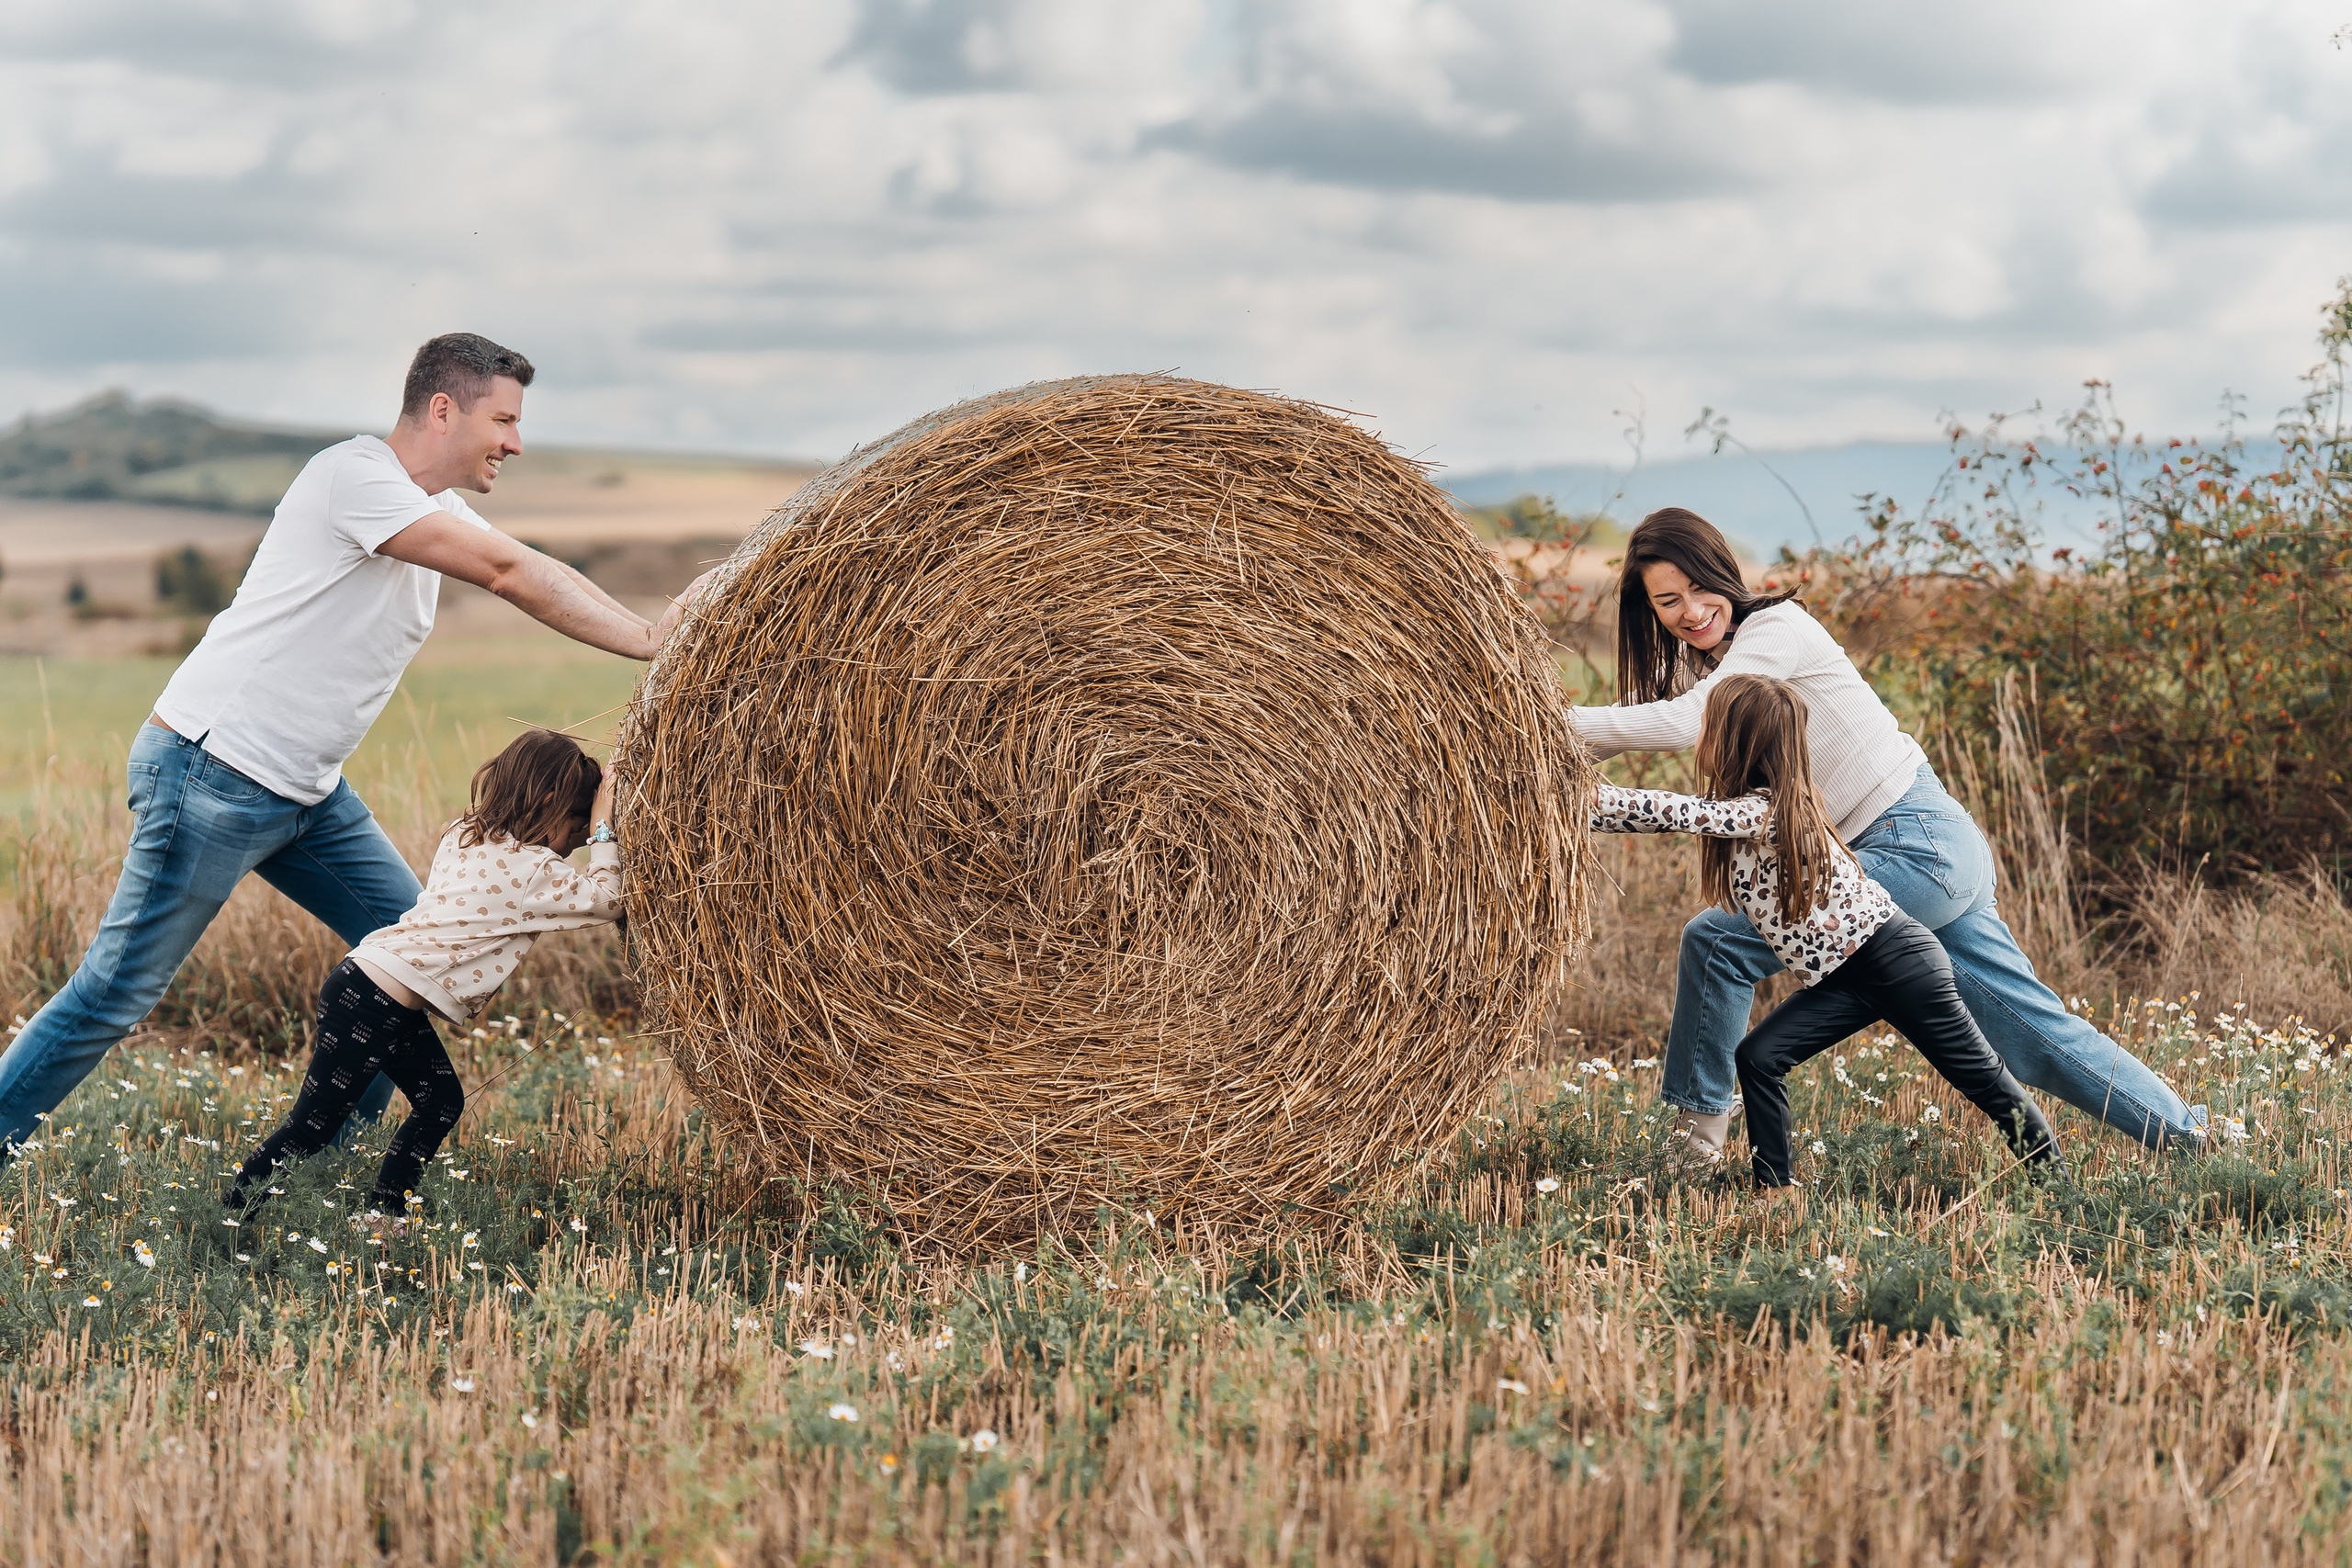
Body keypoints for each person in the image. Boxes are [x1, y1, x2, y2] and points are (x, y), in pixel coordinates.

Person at [0, 333, 707, 1156]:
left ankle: (320, 1158)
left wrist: (652, 629)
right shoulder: (353, 479)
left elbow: (526, 561)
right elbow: (509, 575)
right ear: (443, 408)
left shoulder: (440, 510)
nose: (516, 442)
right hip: (212, 774)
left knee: (414, 952)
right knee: (117, 990)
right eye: (504, 420)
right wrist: (650, 642)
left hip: (310, 795)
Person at [1572, 506, 2204, 1162]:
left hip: (1911, 840)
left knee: (1716, 943)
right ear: (1648, 609)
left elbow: (1682, 724)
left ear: (1723, 572)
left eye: (1699, 588)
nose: (1691, 611)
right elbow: (1631, 720)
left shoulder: (1774, 630)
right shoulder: (1708, 663)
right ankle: (2190, 1137)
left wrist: (1536, 722)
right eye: (1667, 601)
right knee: (2029, 1033)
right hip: (1926, 845)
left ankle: (1691, 1153)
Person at [1590, 674, 2061, 1186]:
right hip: (1848, 976)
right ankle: (1776, 1189)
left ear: (1735, 740)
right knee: (1759, 1058)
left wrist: (1586, 798)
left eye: (1708, 724)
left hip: (1900, 963)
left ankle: (2054, 1184)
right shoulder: (1764, 805)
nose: (1699, 733)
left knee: (1984, 1081)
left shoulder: (1772, 811)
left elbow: (1680, 813)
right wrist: (1576, 812)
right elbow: (1665, 818)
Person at [225, 729, 621, 1221]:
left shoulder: (465, 833)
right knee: (312, 1127)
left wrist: (588, 817)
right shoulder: (533, 869)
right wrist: (606, 828)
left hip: (366, 984)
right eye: (576, 831)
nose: (573, 848)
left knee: (439, 1101)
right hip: (372, 1000)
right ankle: (227, 1217)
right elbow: (609, 901)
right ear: (547, 803)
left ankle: (385, 1218)